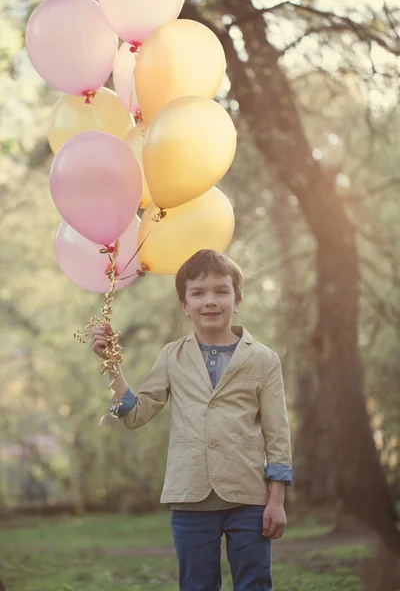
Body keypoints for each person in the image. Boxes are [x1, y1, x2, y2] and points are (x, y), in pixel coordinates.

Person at [91, 249, 292, 591]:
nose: (210, 301)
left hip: (248, 495)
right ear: (185, 305)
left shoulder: (264, 359)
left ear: (237, 300)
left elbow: (278, 434)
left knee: (255, 583)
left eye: (221, 291)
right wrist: (112, 363)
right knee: (197, 585)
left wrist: (276, 500)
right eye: (198, 293)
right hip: (189, 495)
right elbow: (135, 414)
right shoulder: (172, 356)